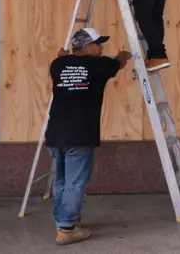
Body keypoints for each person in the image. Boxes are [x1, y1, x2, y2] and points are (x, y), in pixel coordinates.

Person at [45, 27, 132, 245]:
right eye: (97, 44)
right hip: (81, 134)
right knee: (74, 182)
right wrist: (125, 54)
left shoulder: (57, 65)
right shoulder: (99, 65)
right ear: (86, 47)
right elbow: (118, 63)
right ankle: (66, 229)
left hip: (56, 133)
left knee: (62, 181)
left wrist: (63, 56)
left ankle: (65, 222)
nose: (101, 48)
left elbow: (62, 59)